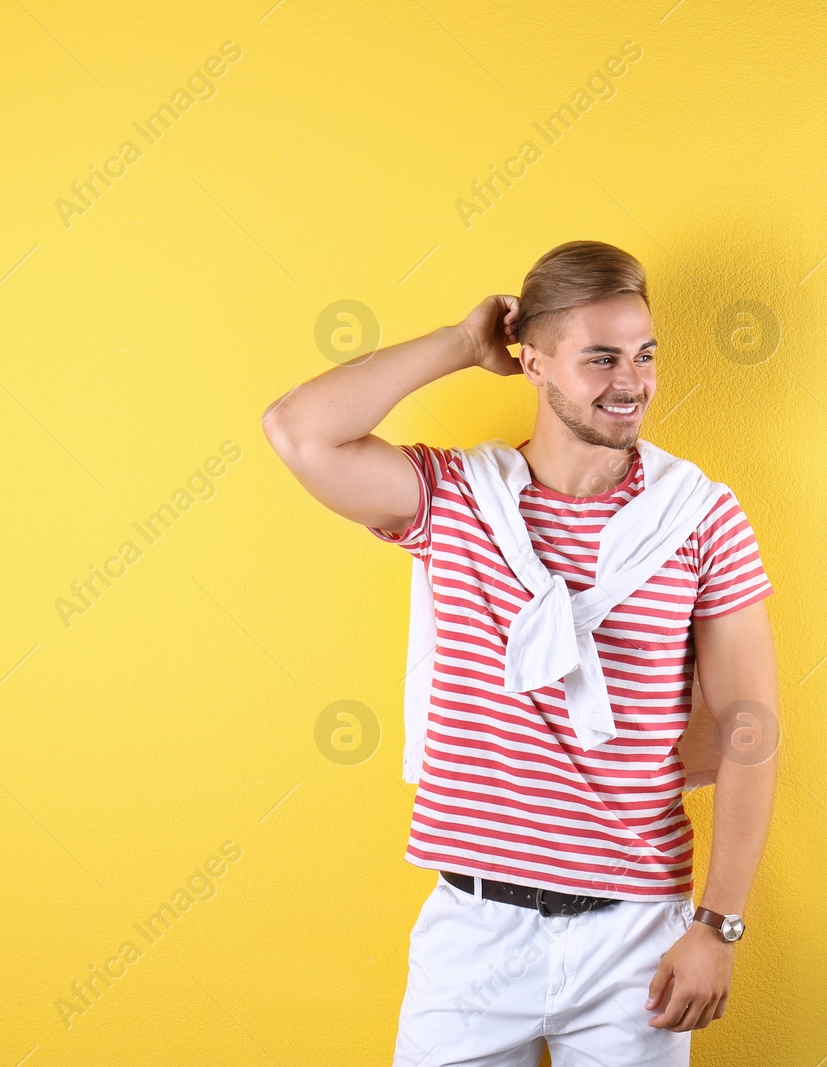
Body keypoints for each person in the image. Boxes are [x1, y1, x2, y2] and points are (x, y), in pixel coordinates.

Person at [261, 240, 779, 1064]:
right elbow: (297, 430)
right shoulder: (458, 497)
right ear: (532, 361)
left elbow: (751, 725)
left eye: (645, 355)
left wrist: (718, 923)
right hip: (474, 929)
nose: (632, 382)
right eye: (601, 357)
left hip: (636, 935)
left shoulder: (701, 517)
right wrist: (464, 345)